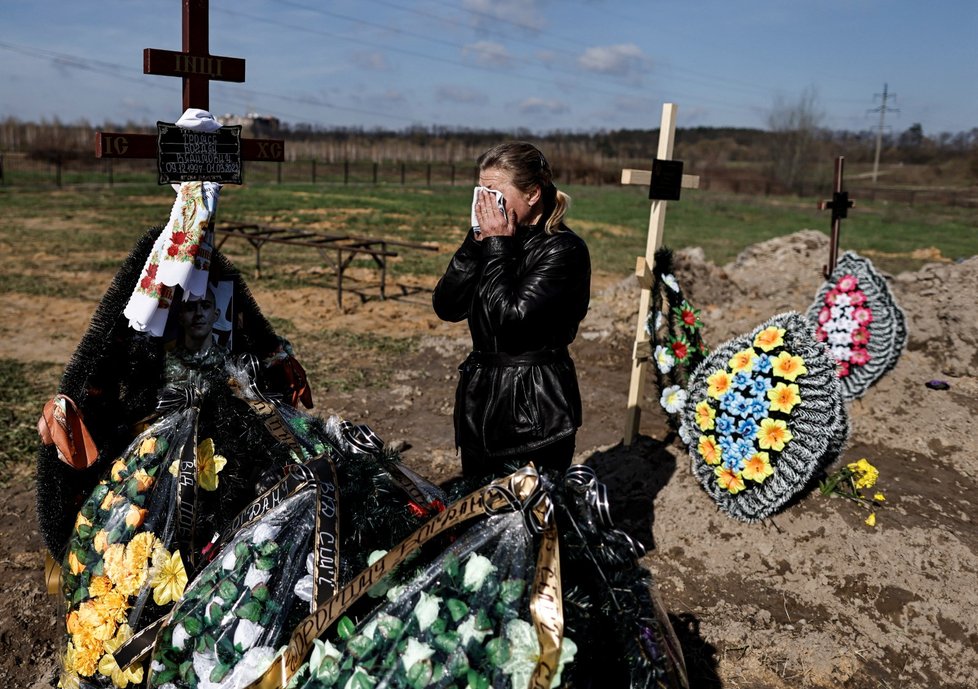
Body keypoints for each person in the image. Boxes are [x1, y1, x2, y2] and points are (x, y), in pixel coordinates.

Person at [433, 142, 591, 479]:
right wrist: (474, 245)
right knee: (478, 514)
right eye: (480, 191)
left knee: (528, 521)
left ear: (532, 194)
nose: (484, 203)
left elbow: (510, 322)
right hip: (480, 405)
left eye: (493, 192)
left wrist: (496, 248)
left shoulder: (563, 249)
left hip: (533, 411)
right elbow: (447, 306)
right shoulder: (493, 239)